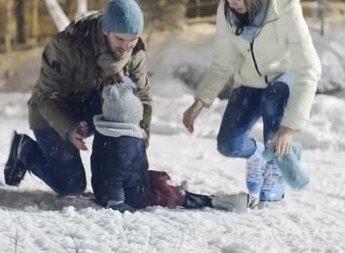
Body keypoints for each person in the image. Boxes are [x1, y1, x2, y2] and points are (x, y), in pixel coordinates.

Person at [182, 0, 321, 205]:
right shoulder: (227, 11)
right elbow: (223, 62)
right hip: (249, 80)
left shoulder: (285, 7)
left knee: (274, 106)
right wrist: (200, 101)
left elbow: (309, 67)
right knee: (228, 145)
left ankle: (277, 164)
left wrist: (289, 128)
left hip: (283, 78)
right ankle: (260, 154)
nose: (233, 3)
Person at [3, 0, 152, 196]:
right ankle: (24, 149)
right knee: (71, 187)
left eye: (133, 39)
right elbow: (46, 97)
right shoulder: (67, 46)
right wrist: (69, 128)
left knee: (123, 103)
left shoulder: (135, 52)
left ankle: (106, 178)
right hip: (51, 113)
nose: (126, 47)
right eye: (120, 39)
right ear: (106, 30)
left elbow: (142, 95)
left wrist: (143, 128)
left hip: (92, 108)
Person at [91, 77, 250, 213]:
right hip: (133, 195)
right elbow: (113, 176)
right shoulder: (123, 143)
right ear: (129, 117)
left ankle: (170, 187)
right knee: (168, 195)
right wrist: (116, 201)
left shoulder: (109, 133)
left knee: (156, 178)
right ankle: (214, 201)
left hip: (127, 184)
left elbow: (110, 169)